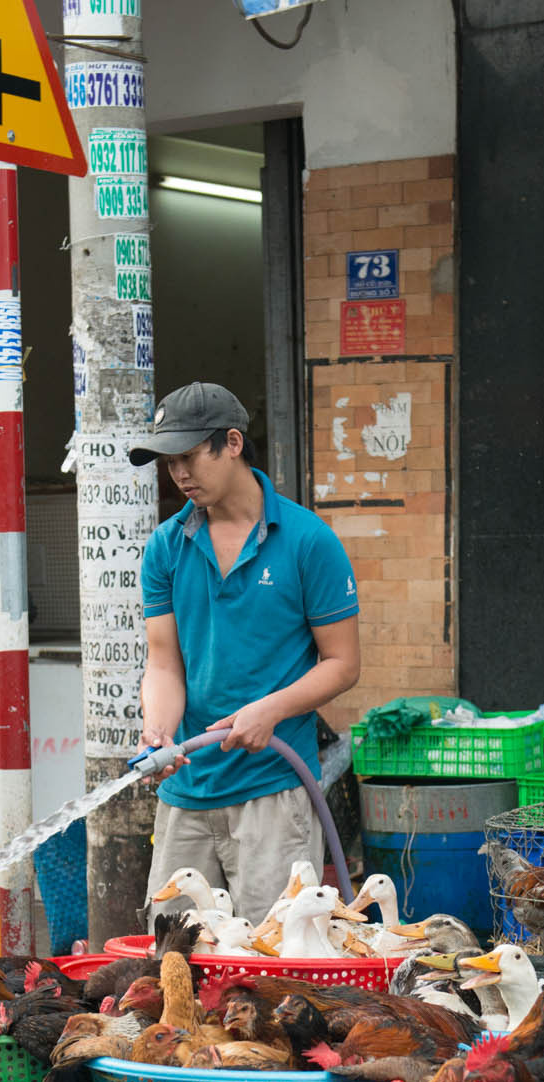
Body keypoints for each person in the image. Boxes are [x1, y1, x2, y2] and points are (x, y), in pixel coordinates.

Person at [129, 382, 361, 923]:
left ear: (232, 443)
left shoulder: (307, 541)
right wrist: (159, 729)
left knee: (278, 962)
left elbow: (343, 665)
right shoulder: (165, 546)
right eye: (170, 462)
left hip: (272, 792)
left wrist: (272, 709)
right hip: (187, 792)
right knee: (174, 955)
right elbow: (163, 663)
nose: (179, 474)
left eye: (189, 456)